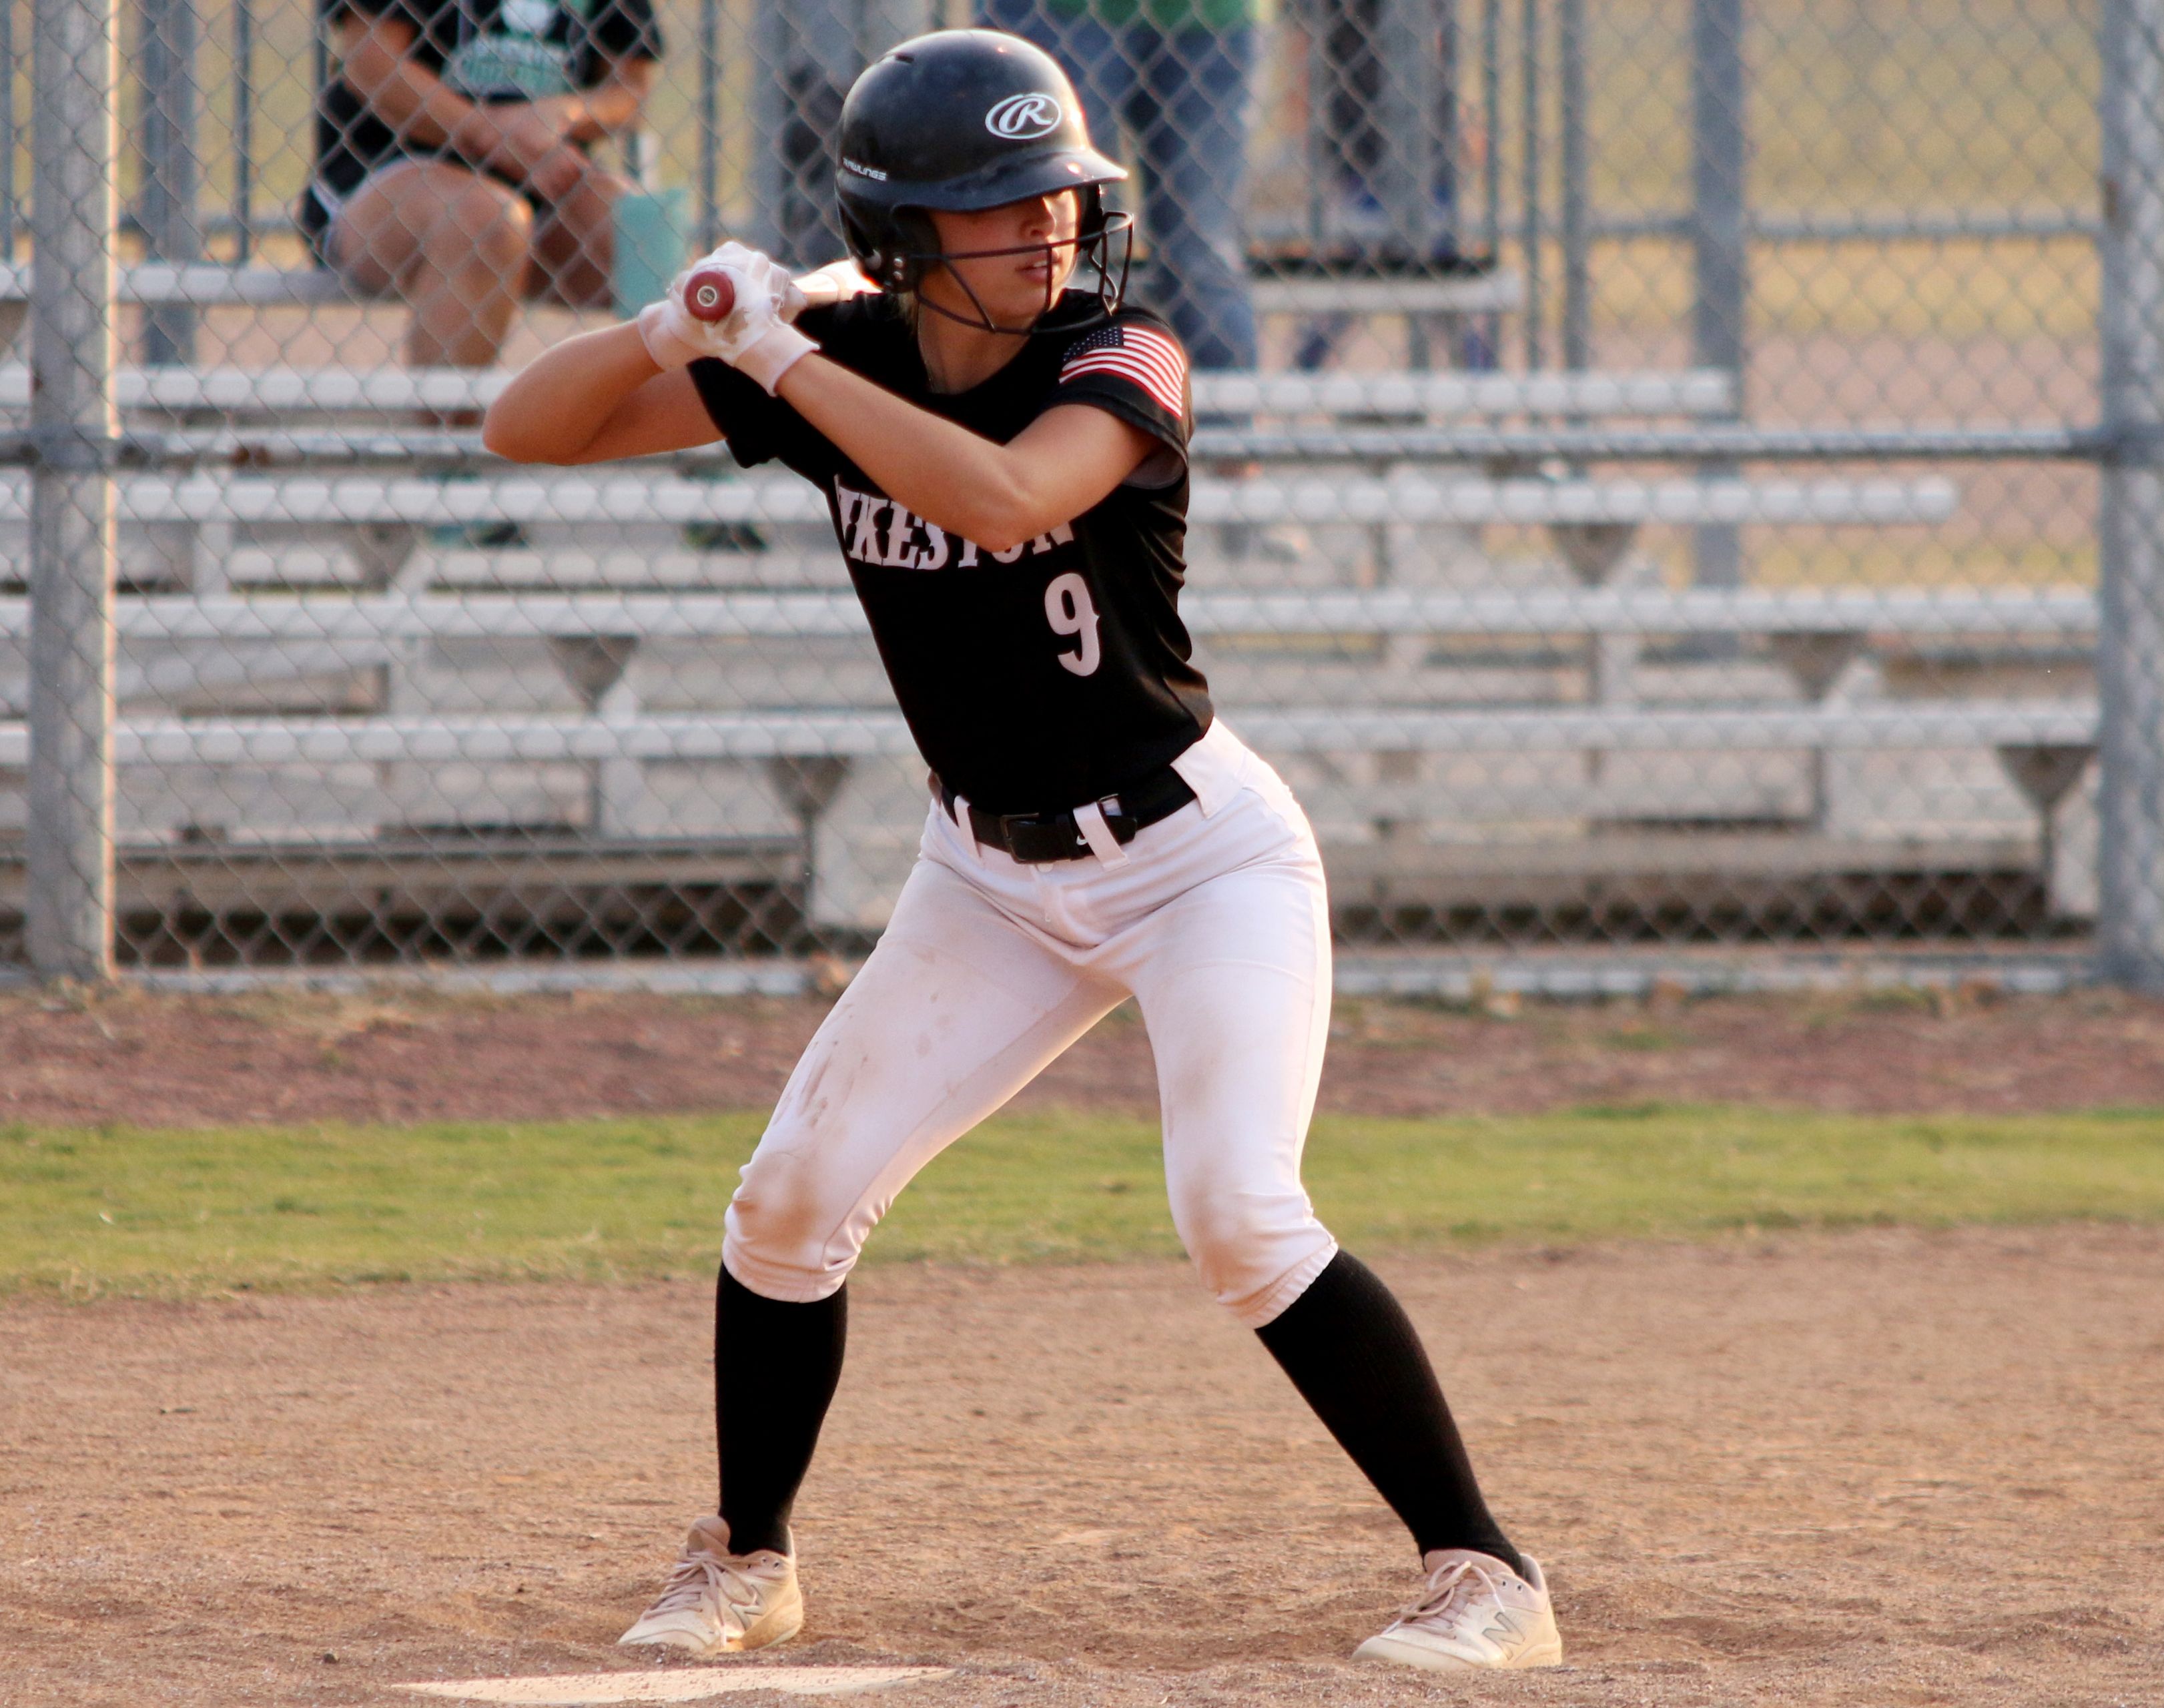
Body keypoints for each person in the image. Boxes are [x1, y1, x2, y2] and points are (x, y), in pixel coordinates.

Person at [481, 29, 1561, 1673]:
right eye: (997, 207)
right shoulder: (831, 346)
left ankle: (1486, 1568)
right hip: (985, 874)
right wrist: (675, 320)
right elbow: (525, 429)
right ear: (908, 236)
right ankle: (748, 1555)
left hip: (1199, 861)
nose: (1046, 226)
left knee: (1236, 1210)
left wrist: (781, 362)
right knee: (786, 1201)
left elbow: (997, 497)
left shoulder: (1119, 354)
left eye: (1055, 193)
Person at [302, 0, 661, 374]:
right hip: (389, 170)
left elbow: (630, 85)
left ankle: (659, 427)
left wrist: (564, 113)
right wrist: (490, 134)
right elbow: (371, 64)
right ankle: (451, 428)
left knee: (645, 234)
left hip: (541, 172)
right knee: (486, 223)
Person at [975, 0, 1261, 376]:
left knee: (1199, 255)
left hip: (1208, 18)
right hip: (1058, 12)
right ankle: (1026, 411)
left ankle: (1228, 427)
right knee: (1049, 236)